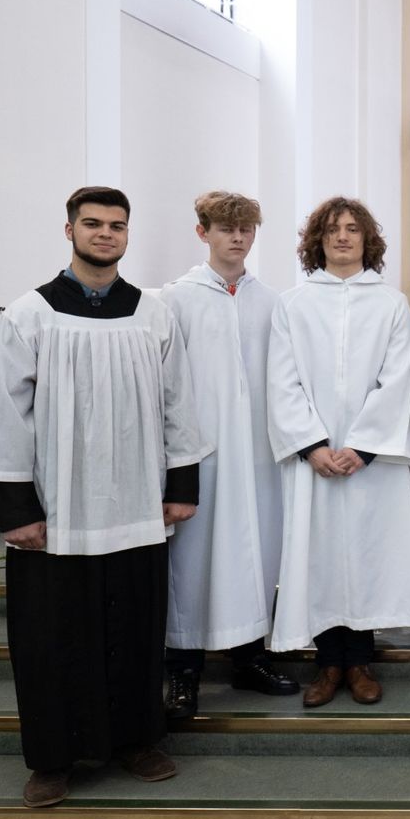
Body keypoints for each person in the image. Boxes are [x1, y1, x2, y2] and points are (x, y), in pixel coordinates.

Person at [0, 187, 210, 808]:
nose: (105, 234)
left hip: (135, 506)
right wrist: (17, 511)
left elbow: (179, 401)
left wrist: (180, 487)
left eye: (116, 226)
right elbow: (1, 417)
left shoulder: (152, 312)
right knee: (51, 641)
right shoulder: (31, 314)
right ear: (67, 230)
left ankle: (138, 741)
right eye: (92, 224)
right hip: (57, 511)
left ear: (128, 235)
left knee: (135, 628)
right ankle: (51, 758)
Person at [266, 197, 410, 707]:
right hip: (314, 457)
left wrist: (361, 447)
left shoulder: (390, 303)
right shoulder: (293, 304)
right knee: (318, 557)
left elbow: (397, 377)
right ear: (318, 239)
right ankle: (326, 663)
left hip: (367, 459)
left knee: (366, 554)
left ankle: (358, 662)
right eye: (333, 229)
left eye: (352, 229)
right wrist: (313, 446)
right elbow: (282, 379)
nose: (342, 237)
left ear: (367, 240)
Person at [159, 192, 297, 720]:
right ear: (203, 233)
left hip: (259, 455)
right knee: (191, 564)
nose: (237, 238)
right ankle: (184, 671)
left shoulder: (271, 301)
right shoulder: (176, 299)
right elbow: (167, 386)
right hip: (202, 457)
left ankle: (249, 658)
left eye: (246, 229)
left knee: (256, 556)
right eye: (225, 228)